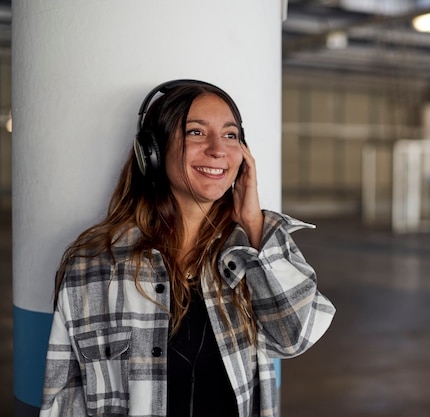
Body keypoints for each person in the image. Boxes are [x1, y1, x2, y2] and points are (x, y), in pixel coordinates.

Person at [39, 79, 336, 417]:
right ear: (152, 151)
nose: (217, 149)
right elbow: (62, 399)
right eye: (196, 132)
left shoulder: (250, 252)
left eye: (230, 135)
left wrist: (254, 223)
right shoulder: (93, 264)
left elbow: (295, 337)